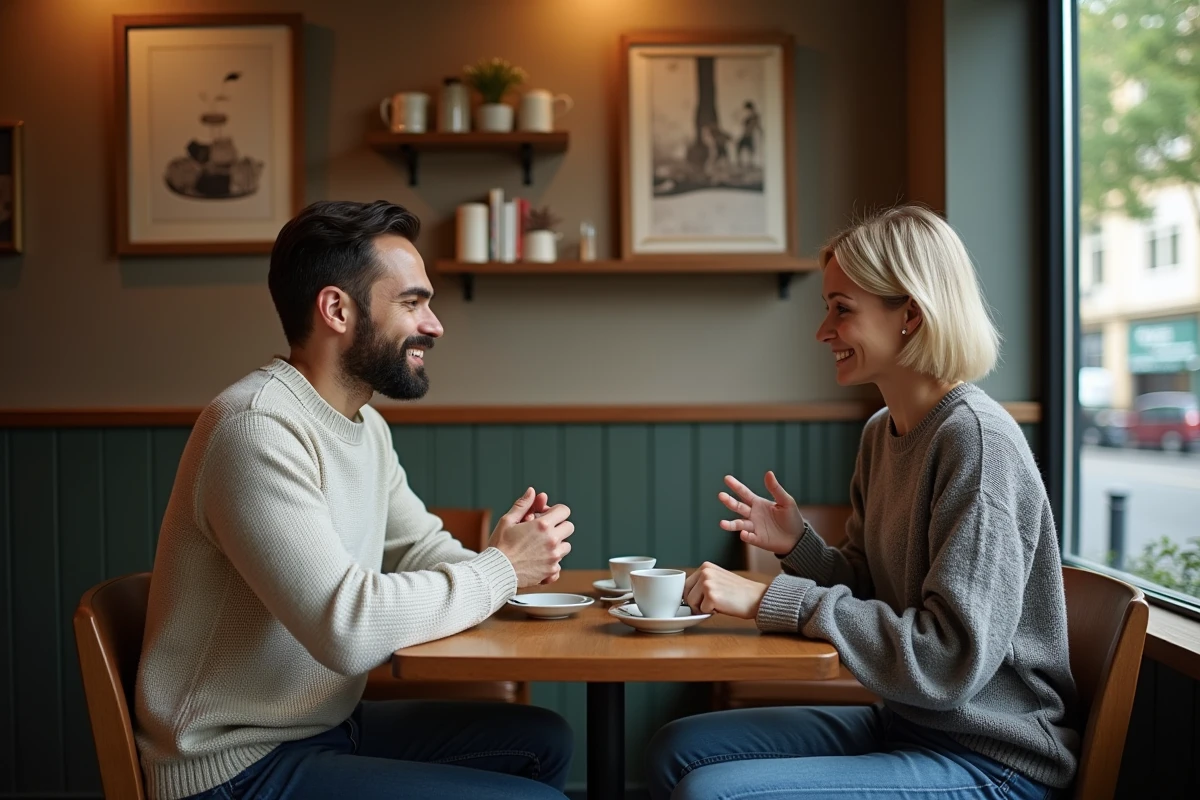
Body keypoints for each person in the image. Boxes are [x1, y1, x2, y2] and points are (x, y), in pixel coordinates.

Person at [134, 200, 575, 800]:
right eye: (413, 302)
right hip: (233, 765)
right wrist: (499, 570)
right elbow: (347, 627)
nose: (435, 324)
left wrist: (513, 567)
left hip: (320, 729)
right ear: (337, 309)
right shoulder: (256, 427)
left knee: (541, 740)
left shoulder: (363, 426)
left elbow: (419, 546)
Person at [647, 204, 1078, 799]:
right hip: (909, 723)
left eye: (841, 310)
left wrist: (772, 596)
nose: (823, 331)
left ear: (912, 315)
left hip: (993, 759)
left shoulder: (977, 444)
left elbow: (946, 661)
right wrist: (800, 547)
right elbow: (872, 591)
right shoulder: (884, 432)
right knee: (675, 749)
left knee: (711, 792)